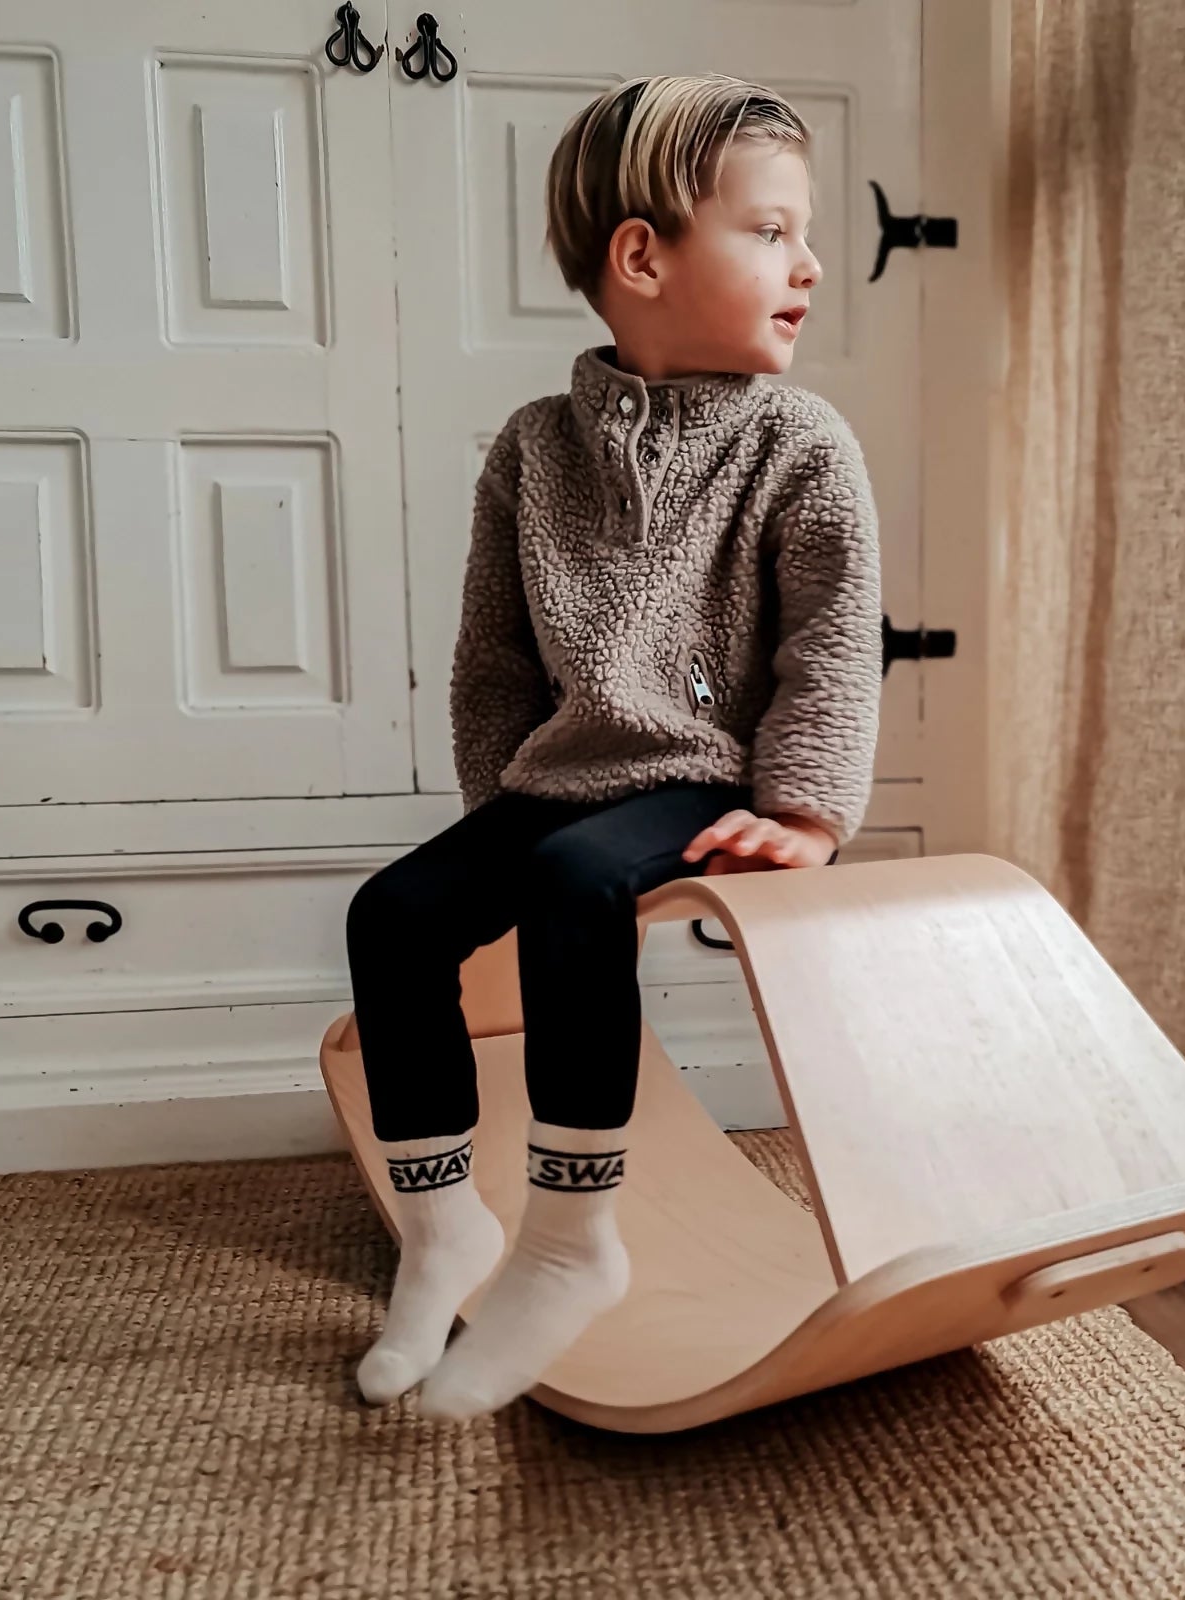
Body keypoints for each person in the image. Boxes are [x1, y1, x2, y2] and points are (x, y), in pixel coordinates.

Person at [346, 74, 882, 1420]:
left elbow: (829, 643)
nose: (809, 263)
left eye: (801, 233)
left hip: (702, 774)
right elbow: (494, 660)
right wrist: (492, 816)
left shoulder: (798, 443)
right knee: (395, 914)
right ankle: (444, 1226)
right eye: (769, 232)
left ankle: (572, 1242)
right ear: (642, 256)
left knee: (576, 885)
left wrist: (806, 806)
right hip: (555, 781)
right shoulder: (535, 450)